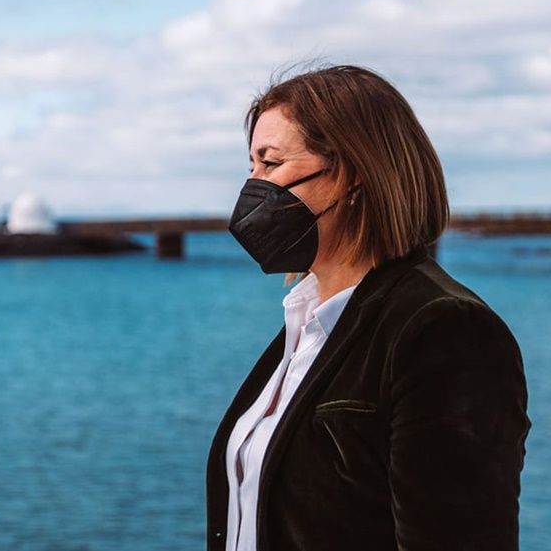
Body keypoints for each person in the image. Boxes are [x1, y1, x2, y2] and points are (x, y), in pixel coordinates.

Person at [207, 64, 531, 550]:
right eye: (250, 167)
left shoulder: (443, 329)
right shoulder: (307, 321)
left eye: (271, 164)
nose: (253, 188)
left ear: (353, 176)